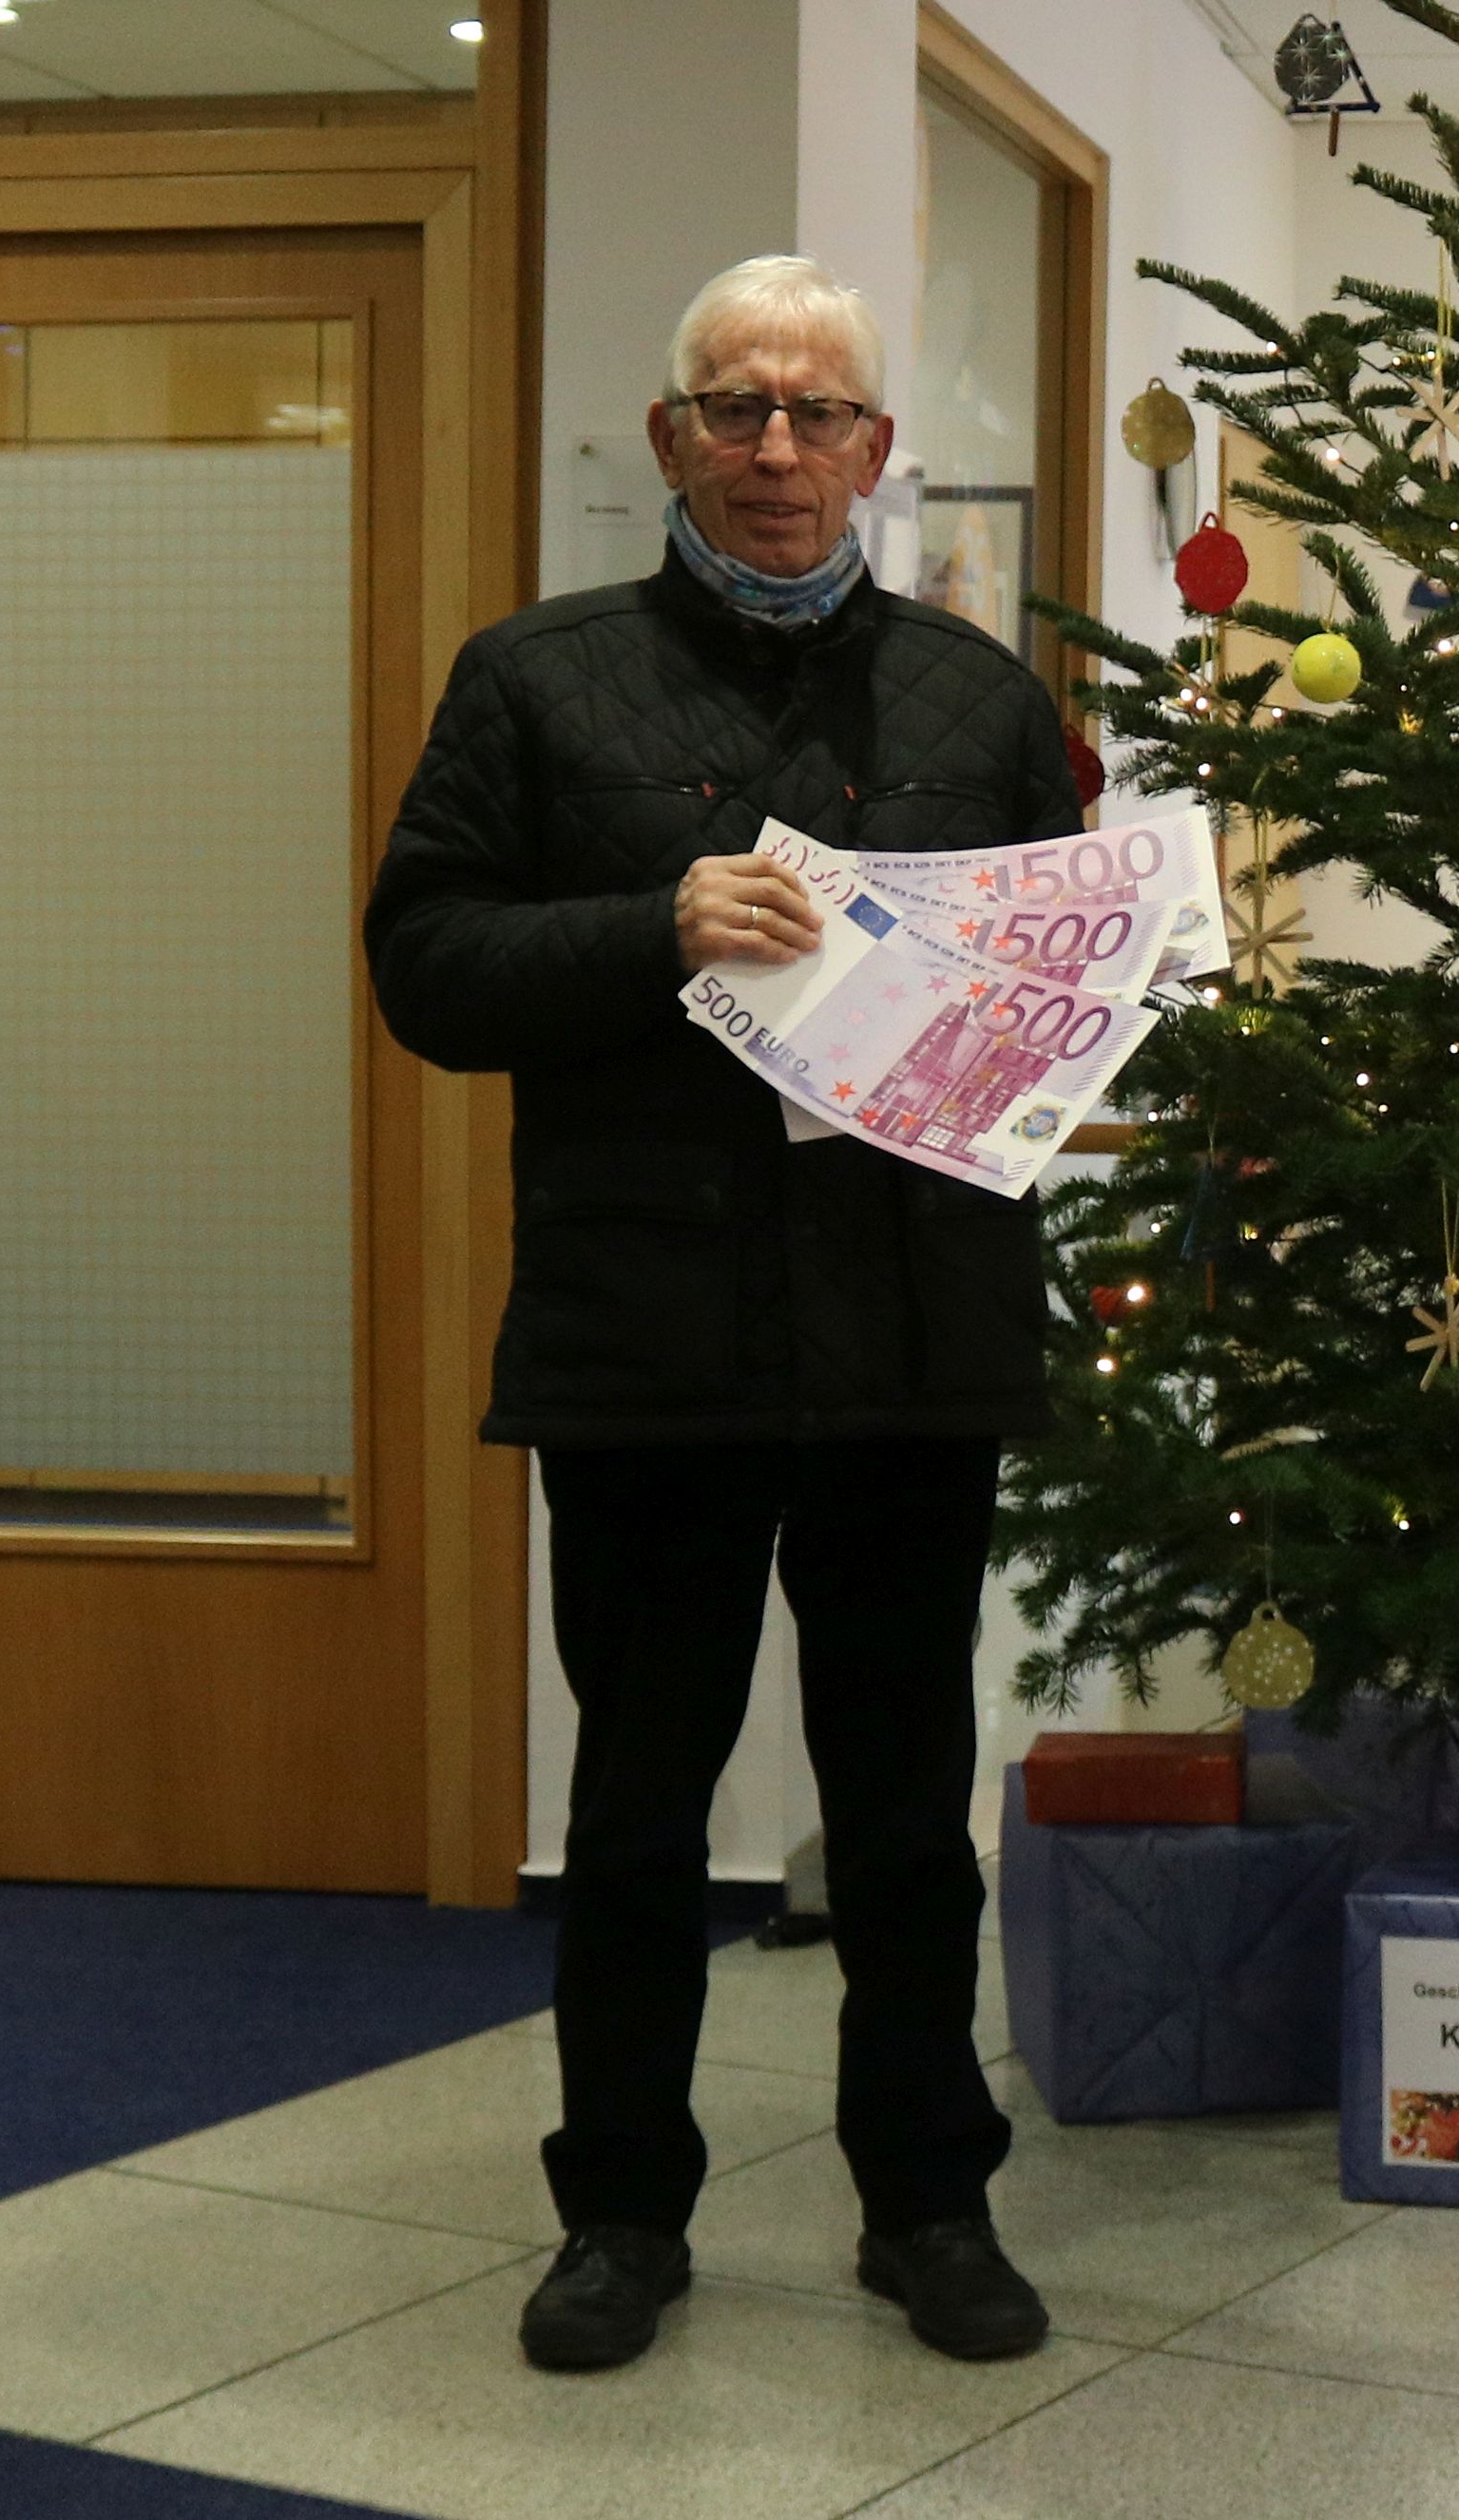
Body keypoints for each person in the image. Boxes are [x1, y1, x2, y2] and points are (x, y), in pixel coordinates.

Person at [363, 254, 1080, 2375]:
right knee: (640, 1802)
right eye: (737, 406)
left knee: (899, 1796)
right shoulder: (533, 679)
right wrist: (647, 921)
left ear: (877, 450)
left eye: (820, 412)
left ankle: (929, 2200)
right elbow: (421, 964)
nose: (779, 447)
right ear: (672, 433)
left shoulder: (979, 697)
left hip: (908, 1336)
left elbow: (1056, 1004)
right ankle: (619, 2214)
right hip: (644, 1331)